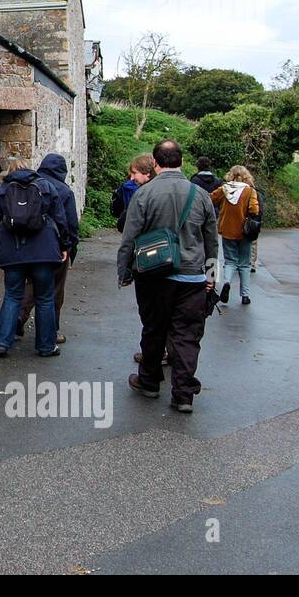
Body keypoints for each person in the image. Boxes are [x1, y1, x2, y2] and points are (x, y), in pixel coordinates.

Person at [118, 139, 219, 414]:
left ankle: (149, 381)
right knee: (187, 336)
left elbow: (130, 236)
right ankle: (184, 394)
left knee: (153, 329)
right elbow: (212, 240)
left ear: (155, 163)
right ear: (182, 162)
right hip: (192, 279)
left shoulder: (144, 194)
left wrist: (124, 271)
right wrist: (211, 275)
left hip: (153, 276)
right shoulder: (201, 195)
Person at [0, 158, 70, 358]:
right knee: (45, 298)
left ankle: (1, 343)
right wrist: (64, 245)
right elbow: (60, 219)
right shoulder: (46, 186)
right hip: (44, 251)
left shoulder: (2, 190)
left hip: (14, 250)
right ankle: (47, 346)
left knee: (13, 295)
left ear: (10, 172)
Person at [17, 153, 79, 345]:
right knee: (54, 290)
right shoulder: (64, 191)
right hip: (54, 247)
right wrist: (70, 250)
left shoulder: (29, 183)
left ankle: (17, 317)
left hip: (27, 245)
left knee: (30, 284)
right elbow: (70, 224)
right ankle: (51, 333)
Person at [211, 165, 260, 305]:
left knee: (229, 261)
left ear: (231, 175)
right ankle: (245, 295)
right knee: (244, 264)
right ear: (246, 176)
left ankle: (226, 282)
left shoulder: (223, 189)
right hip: (245, 232)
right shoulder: (249, 191)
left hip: (227, 230)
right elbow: (254, 210)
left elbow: (211, 199)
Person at [111, 154, 155, 232]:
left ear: (147, 173)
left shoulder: (153, 192)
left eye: (134, 173)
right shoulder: (129, 187)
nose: (131, 178)